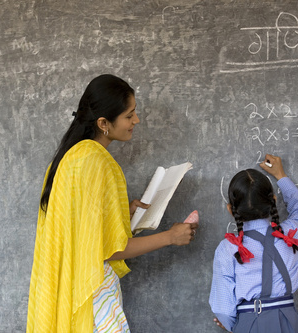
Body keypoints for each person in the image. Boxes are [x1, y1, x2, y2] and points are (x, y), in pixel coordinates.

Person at [26, 74, 198, 332]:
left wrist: (119, 213)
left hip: (67, 288)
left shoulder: (67, 159)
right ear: (104, 123)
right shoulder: (99, 161)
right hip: (92, 291)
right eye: (129, 116)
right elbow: (109, 250)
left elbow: (76, 230)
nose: (136, 121)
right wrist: (170, 237)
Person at [209, 154, 298, 333]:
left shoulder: (228, 248)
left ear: (230, 210)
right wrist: (281, 176)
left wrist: (238, 327)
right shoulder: (292, 233)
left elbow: (223, 309)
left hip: (250, 323)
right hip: (290, 322)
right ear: (273, 201)